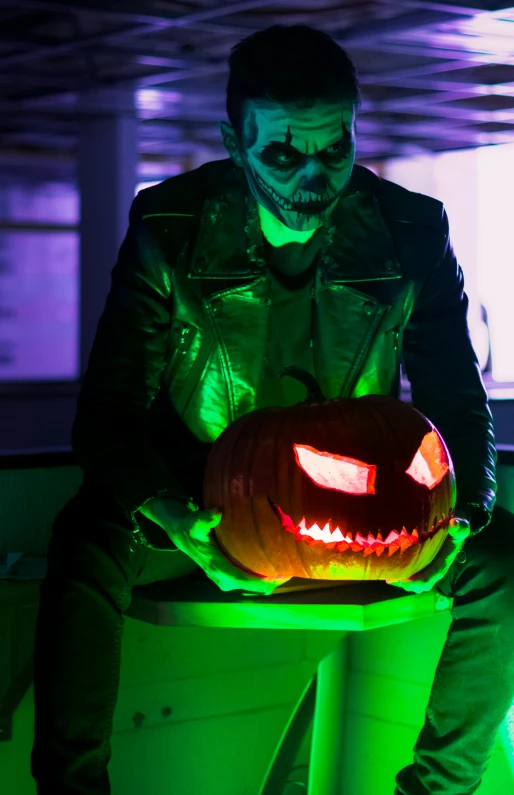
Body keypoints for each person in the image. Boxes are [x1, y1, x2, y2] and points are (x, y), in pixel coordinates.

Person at [31, 23, 514, 795]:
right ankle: (74, 787)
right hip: (207, 502)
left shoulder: (412, 232)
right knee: (87, 536)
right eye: (283, 154)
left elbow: (456, 396)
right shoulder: (170, 229)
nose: (313, 177)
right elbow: (108, 414)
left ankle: (437, 791)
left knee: (504, 564)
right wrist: (174, 517)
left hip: (368, 500)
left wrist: (468, 514)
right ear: (234, 140)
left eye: (334, 150)